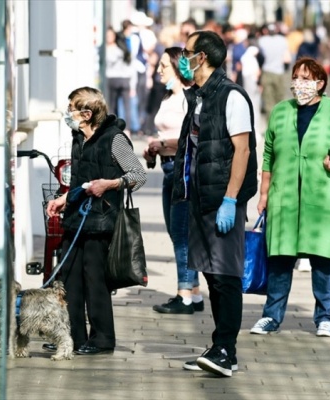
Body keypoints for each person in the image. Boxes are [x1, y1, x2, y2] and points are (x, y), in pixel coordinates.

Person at [249, 57, 330, 338]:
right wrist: (263, 193)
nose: (299, 84)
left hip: (322, 200)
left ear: (320, 83)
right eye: (296, 78)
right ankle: (271, 317)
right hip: (284, 197)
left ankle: (324, 316)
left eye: (306, 78)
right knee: (279, 259)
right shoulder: (280, 111)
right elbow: (268, 155)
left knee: (323, 260)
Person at [171, 30, 258, 377]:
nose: (183, 57)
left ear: (201, 57)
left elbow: (243, 149)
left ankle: (227, 349)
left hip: (223, 199)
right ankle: (220, 348)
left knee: (226, 276)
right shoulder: (199, 96)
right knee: (210, 273)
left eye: (186, 52)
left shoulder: (231, 96)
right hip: (199, 198)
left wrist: (231, 199)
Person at [46, 87, 147, 355]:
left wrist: (110, 184)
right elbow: (80, 182)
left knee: (95, 282)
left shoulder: (114, 140)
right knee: (69, 280)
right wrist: (63, 200)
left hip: (102, 221)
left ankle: (102, 339)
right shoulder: (78, 137)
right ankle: (72, 337)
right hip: (76, 219)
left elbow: (138, 174)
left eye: (71, 109)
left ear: (87, 113)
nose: (68, 114)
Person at [144, 47, 203, 314]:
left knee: (181, 234)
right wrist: (154, 149)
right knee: (176, 232)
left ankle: (184, 296)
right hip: (168, 169)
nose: (159, 70)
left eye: (164, 66)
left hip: (184, 170)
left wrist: (162, 143)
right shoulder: (168, 97)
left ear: (179, 68)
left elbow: (191, 137)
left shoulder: (189, 99)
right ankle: (195, 292)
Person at [105, 28, 137, 135]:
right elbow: (131, 68)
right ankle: (127, 130)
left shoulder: (108, 50)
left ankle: (114, 129)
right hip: (124, 79)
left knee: (112, 105)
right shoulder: (123, 50)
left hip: (112, 79)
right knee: (125, 106)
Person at [258, 24, 291, 114]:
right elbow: (287, 58)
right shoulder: (283, 40)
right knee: (279, 99)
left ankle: (270, 123)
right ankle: (280, 122)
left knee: (268, 101)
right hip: (279, 72)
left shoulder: (262, 40)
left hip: (266, 71)